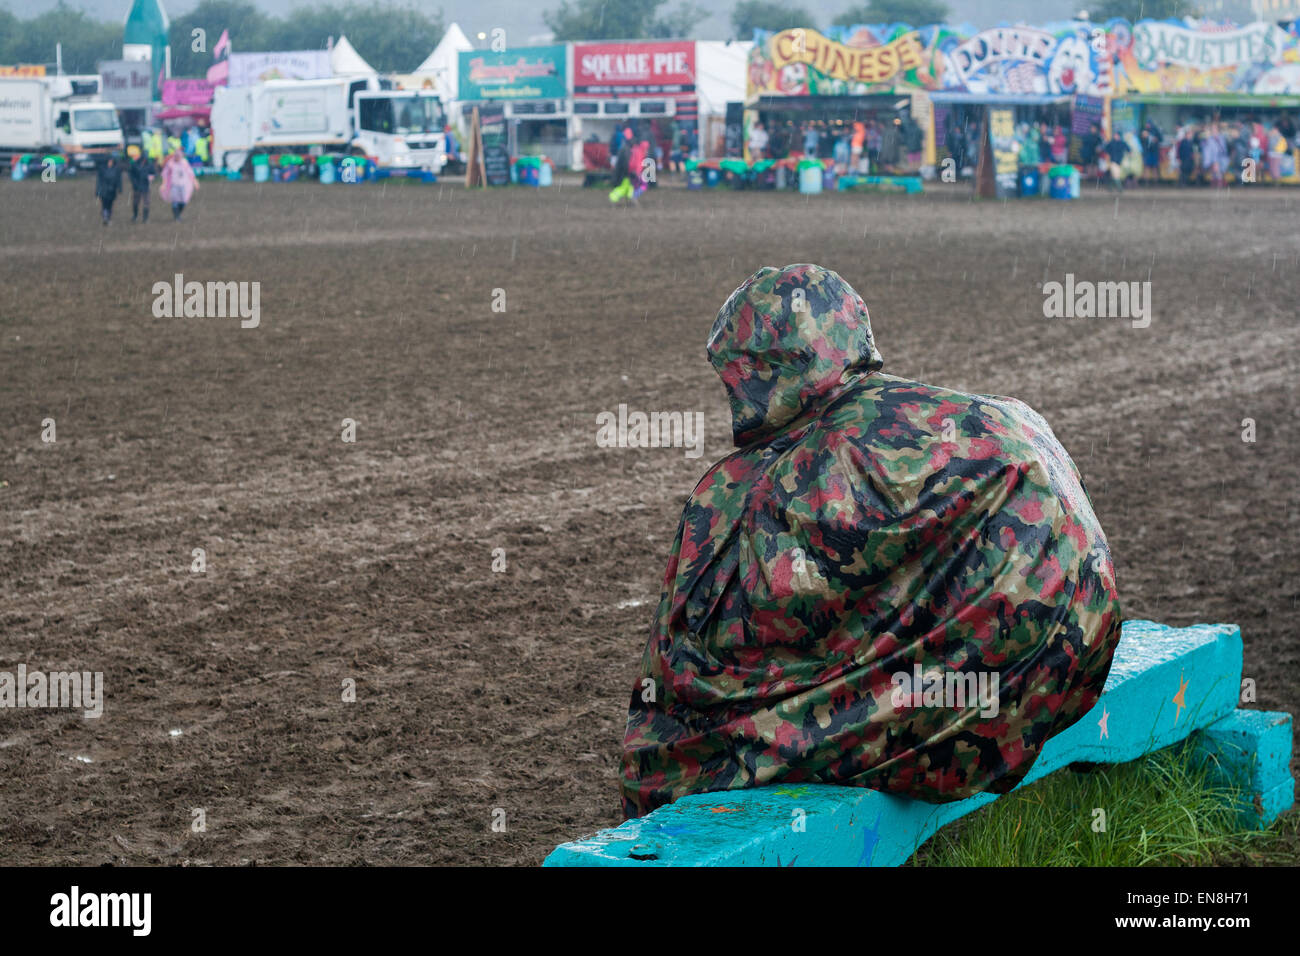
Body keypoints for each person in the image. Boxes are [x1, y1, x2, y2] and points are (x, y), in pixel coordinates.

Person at [620, 264, 1121, 818]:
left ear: (771, 368)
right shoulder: (999, 415)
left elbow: (730, 638)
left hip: (986, 693)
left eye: (738, 379)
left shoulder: (785, 477)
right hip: (1074, 661)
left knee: (678, 751)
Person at [159, 150, 198, 220]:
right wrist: (164, 184)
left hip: (183, 185)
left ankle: (178, 214)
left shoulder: (184, 163)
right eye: (176, 156)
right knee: (175, 200)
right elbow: (165, 174)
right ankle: (176, 216)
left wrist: (195, 182)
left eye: (179, 156)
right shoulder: (170, 163)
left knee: (183, 201)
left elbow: (190, 172)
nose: (177, 158)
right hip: (174, 185)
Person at [126, 146, 156, 223]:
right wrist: (134, 183)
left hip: (146, 186)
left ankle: (145, 218)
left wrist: (151, 177)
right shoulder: (134, 164)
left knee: (146, 202)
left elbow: (153, 173)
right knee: (135, 202)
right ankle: (135, 216)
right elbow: (131, 174)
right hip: (137, 186)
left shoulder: (149, 164)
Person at [94, 153, 123, 226]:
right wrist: (97, 191)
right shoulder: (102, 169)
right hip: (104, 190)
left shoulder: (116, 169)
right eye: (109, 161)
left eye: (111, 161)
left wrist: (120, 188)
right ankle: (105, 217)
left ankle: (108, 217)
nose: (110, 162)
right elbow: (99, 181)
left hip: (112, 190)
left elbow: (118, 180)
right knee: (104, 204)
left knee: (110, 204)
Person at [608, 134, 633, 204]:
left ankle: (631, 199)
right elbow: (625, 163)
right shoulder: (626, 150)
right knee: (623, 187)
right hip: (624, 172)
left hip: (623, 172)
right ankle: (613, 196)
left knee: (629, 187)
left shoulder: (624, 148)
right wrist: (628, 171)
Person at [1140, 118, 1162, 183]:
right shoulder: (1144, 131)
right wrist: (1143, 136)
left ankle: (1156, 183)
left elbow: (1161, 139)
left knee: (1155, 167)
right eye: (1146, 124)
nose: (1147, 125)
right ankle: (1146, 183)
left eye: (1148, 124)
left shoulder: (1155, 130)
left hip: (1154, 152)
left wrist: (1156, 139)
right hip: (1147, 152)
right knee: (1146, 167)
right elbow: (1141, 141)